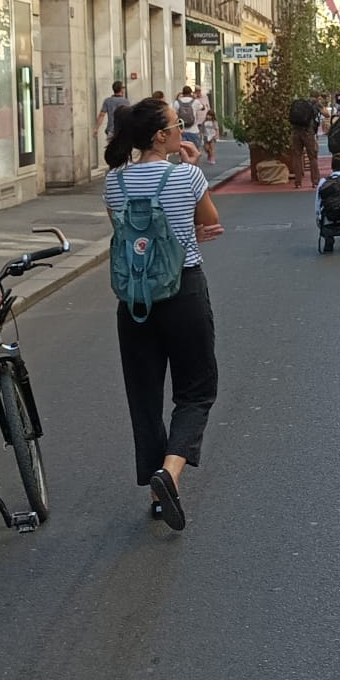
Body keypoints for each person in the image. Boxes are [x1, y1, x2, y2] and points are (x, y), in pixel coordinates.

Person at [103, 96, 222, 531]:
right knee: (196, 390)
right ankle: (168, 474)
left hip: (135, 300)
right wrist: (193, 173)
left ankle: (156, 490)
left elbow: (125, 234)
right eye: (176, 125)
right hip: (183, 289)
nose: (182, 130)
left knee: (145, 395)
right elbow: (209, 221)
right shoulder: (186, 175)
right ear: (161, 136)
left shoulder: (113, 183)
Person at [288, 89, 321, 190]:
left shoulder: (300, 104)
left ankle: (298, 183)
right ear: (317, 97)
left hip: (295, 131)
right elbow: (326, 114)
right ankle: (315, 181)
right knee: (312, 156)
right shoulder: (315, 104)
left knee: (297, 156)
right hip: (308, 132)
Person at [176, 86, 202, 155]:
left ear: (183, 92)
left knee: (183, 152)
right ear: (191, 93)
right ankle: (192, 165)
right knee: (194, 152)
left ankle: (184, 163)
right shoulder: (195, 102)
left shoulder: (177, 102)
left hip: (182, 131)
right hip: (194, 131)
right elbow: (203, 107)